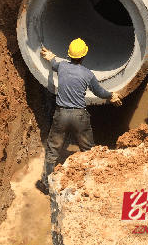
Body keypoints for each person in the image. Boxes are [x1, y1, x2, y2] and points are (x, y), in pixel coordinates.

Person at [36, 38, 121, 194]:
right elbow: (99, 92)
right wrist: (112, 96)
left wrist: (51, 57)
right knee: (89, 150)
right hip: (79, 116)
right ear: (84, 55)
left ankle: (46, 185)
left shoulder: (61, 67)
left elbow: (54, 64)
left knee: (52, 151)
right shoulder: (87, 74)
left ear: (69, 55)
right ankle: (93, 182)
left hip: (61, 114)